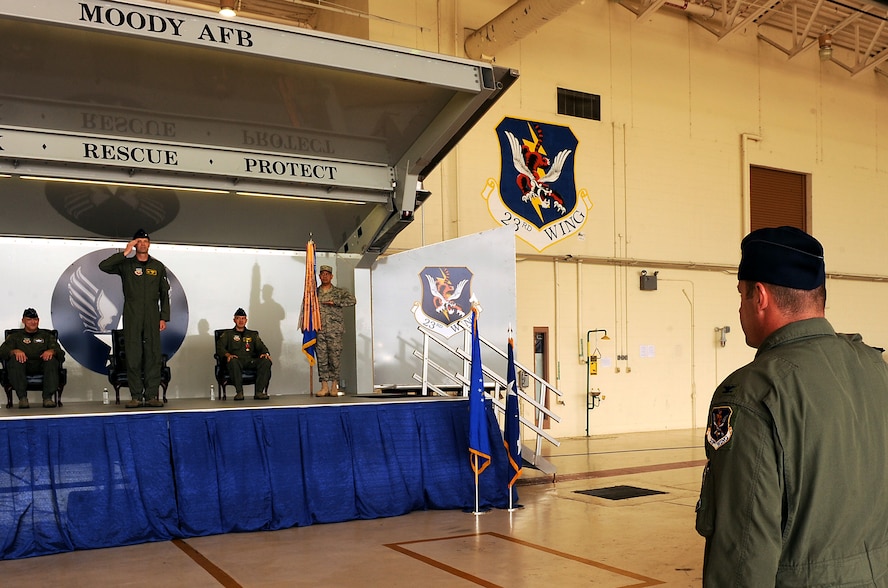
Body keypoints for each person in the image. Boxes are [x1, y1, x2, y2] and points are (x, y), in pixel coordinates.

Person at [696, 226, 888, 586]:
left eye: (741, 295)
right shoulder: (875, 369)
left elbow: (744, 552)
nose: (740, 309)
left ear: (761, 297)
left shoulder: (753, 391)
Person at [99, 228, 170, 408]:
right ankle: (136, 396)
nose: (143, 244)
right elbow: (104, 266)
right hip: (132, 313)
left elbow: (164, 294)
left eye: (146, 241)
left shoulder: (158, 266)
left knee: (153, 355)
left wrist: (164, 317)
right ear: (134, 244)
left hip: (152, 314)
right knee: (133, 355)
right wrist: (125, 252)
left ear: (149, 244)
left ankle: (152, 395)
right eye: (139, 241)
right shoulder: (126, 265)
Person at [0, 308, 65, 409]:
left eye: (35, 319)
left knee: (52, 360)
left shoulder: (47, 336)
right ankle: (22, 398)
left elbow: (61, 354)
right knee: (15, 360)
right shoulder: (15, 337)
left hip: (42, 366)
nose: (33, 322)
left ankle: (47, 398)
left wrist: (52, 351)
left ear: (38, 320)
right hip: (22, 366)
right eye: (29, 319)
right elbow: (2, 352)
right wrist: (14, 351)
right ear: (23, 321)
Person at [315, 264, 356, 397]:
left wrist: (335, 302)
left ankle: (334, 385)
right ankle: (324, 386)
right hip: (319, 330)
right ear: (319, 276)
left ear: (331, 276)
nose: (325, 276)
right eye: (322, 274)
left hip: (335, 330)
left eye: (327, 274)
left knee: (334, 358)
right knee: (322, 358)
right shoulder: (314, 293)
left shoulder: (339, 292)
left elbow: (352, 300)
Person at [216, 308, 272, 400]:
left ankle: (259, 392)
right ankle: (239, 392)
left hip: (250, 360)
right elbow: (220, 347)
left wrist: (265, 353)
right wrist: (228, 355)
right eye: (238, 318)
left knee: (266, 361)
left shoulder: (252, 334)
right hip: (236, 360)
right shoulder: (228, 334)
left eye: (243, 318)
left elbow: (261, 347)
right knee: (233, 361)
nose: (241, 321)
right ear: (234, 320)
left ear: (246, 320)